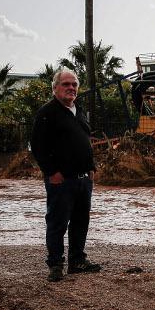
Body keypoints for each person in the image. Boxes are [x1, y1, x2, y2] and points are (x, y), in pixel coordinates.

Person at [31, 68, 101, 282]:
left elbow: (84, 141)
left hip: (83, 180)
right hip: (61, 180)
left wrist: (91, 168)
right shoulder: (47, 113)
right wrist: (52, 172)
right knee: (58, 222)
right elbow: (37, 146)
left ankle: (77, 261)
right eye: (66, 84)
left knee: (81, 221)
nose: (71, 88)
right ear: (55, 88)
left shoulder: (78, 111)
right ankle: (55, 265)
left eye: (74, 85)